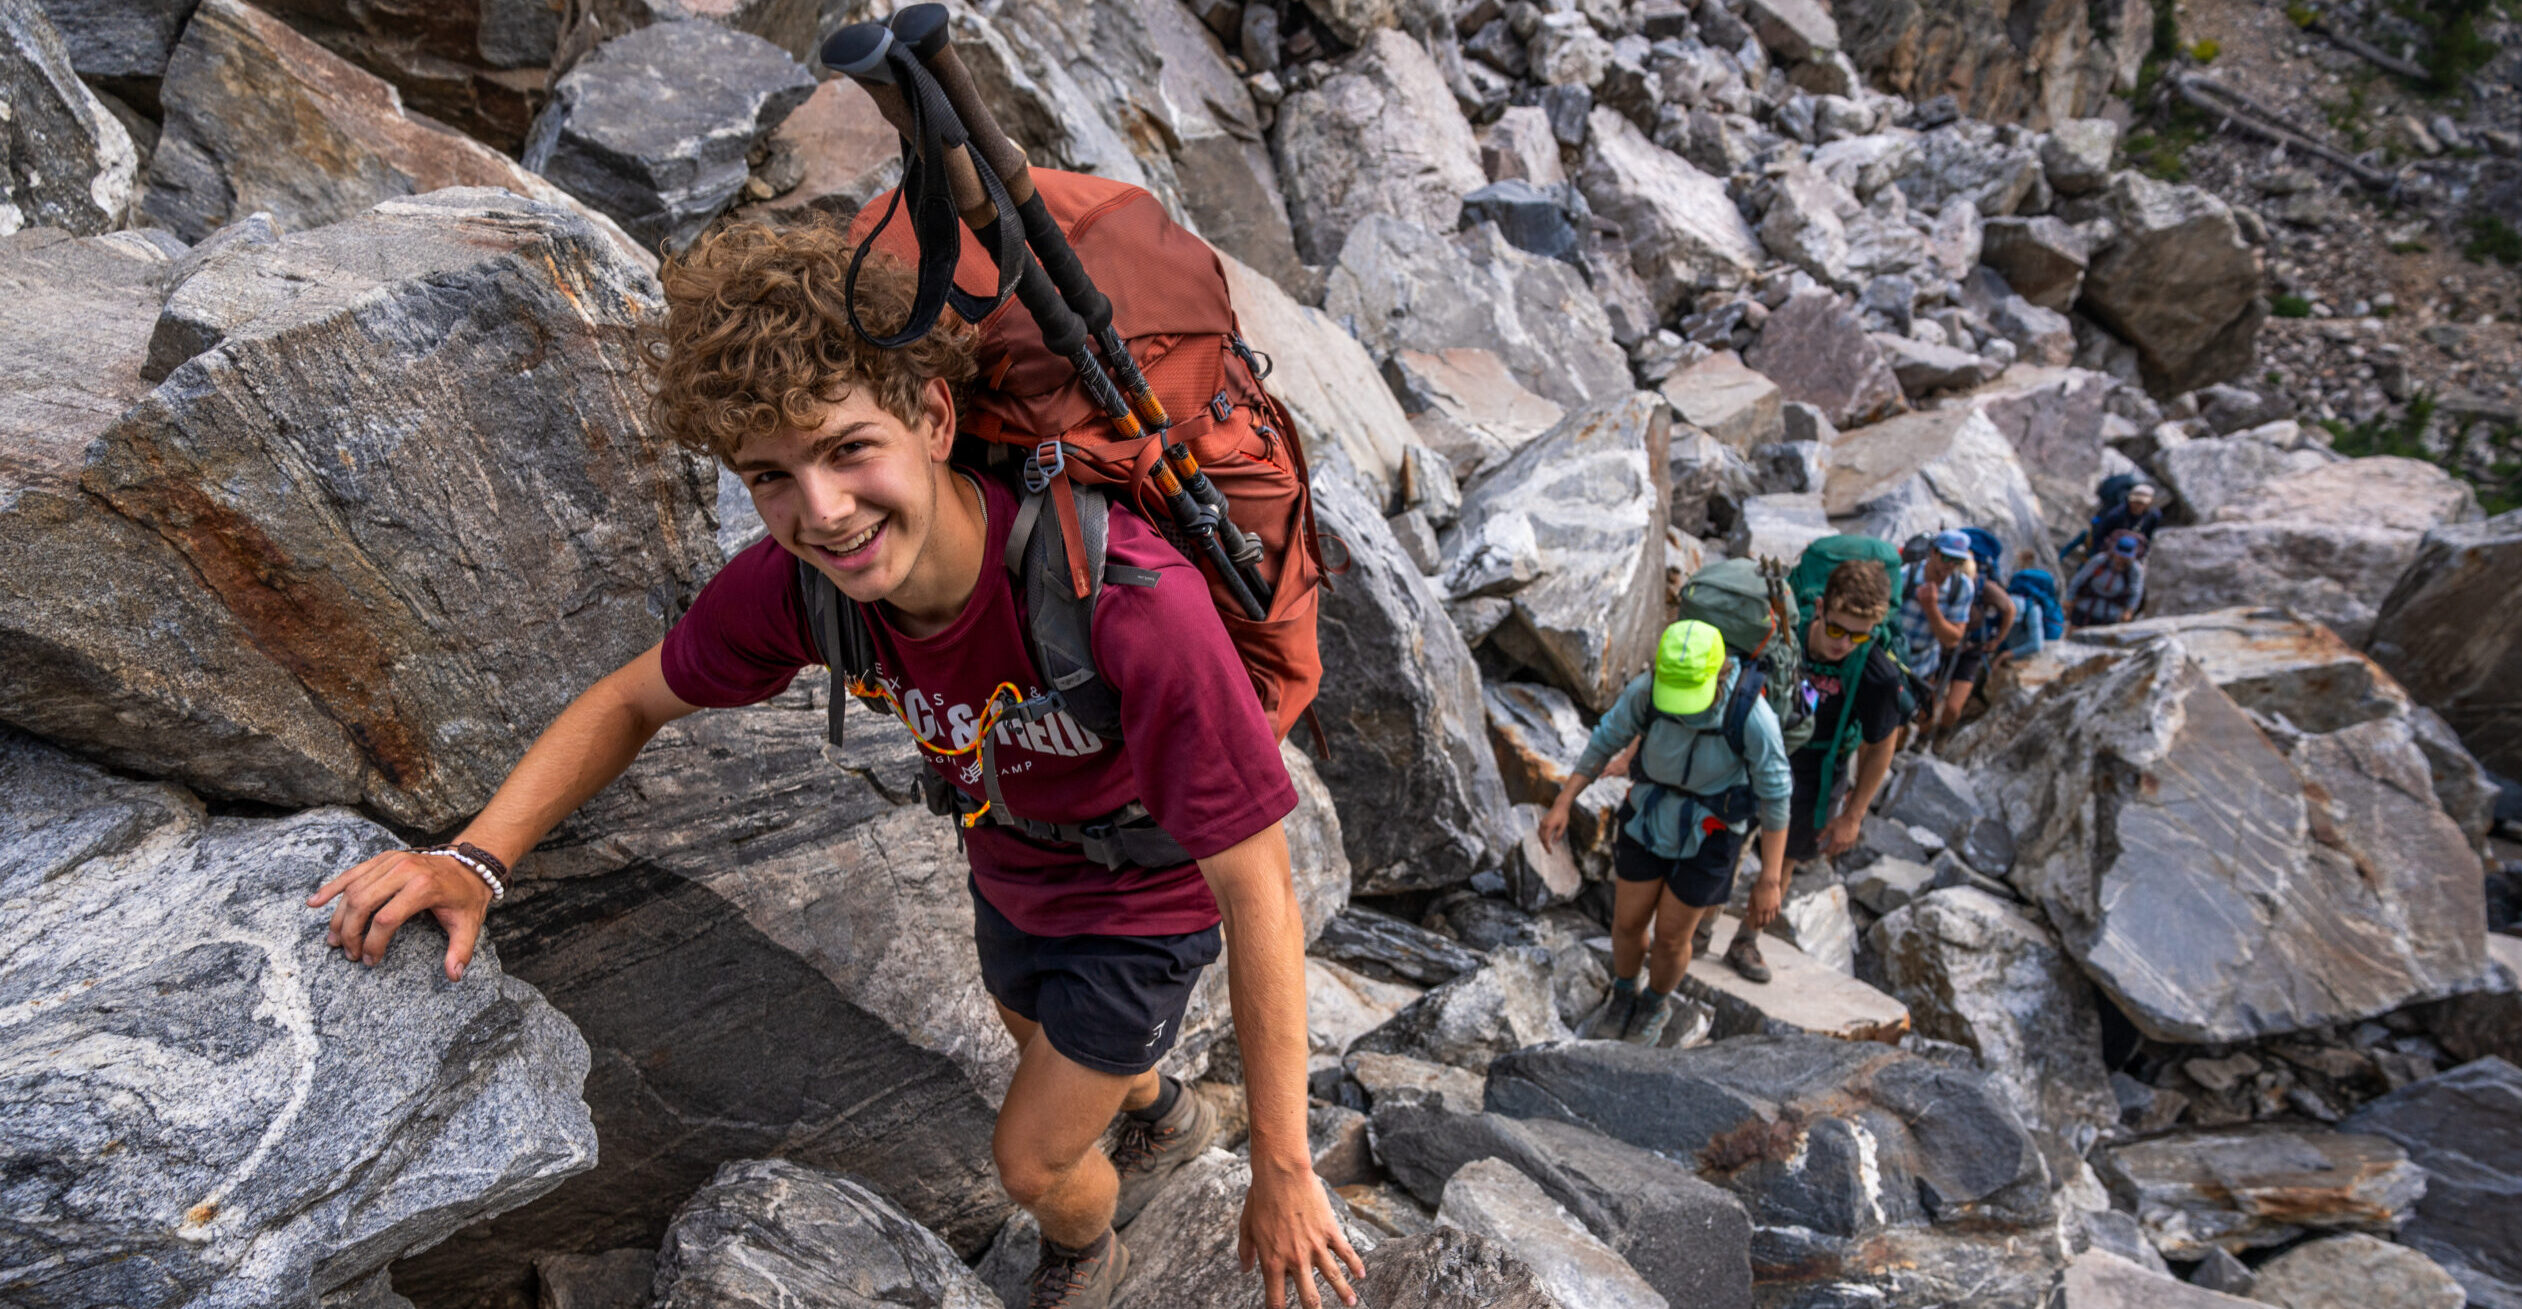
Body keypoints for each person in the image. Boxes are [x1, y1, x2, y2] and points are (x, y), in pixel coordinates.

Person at [304, 223, 1360, 1309]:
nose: (824, 511)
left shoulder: (1127, 602)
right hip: (1012, 864)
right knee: (1038, 1029)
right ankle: (1167, 1115)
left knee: (1033, 1157)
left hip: (1145, 893)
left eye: (851, 448)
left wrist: (1285, 1168)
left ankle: (1087, 1252)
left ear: (935, 417)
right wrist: (474, 860)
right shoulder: (796, 587)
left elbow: (1256, 886)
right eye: (772, 474)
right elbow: (631, 700)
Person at [1537, 622, 1791, 1044]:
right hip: (1648, 815)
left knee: (1673, 937)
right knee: (1628, 920)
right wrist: (1564, 802)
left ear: (1719, 675)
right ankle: (1623, 992)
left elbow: (1776, 794)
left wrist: (1770, 879)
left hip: (1710, 831)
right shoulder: (1647, 690)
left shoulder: (1751, 716)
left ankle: (1656, 1001)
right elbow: (1605, 740)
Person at [1730, 560, 1907, 978]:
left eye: (1858, 635)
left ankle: (1746, 940)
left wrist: (1854, 814)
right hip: (1755, 751)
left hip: (1817, 769)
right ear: (1822, 608)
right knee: (1729, 840)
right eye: (1836, 629)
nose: (1844, 643)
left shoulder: (1875, 673)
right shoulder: (1782, 633)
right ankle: (1700, 925)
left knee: (1785, 861)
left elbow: (1881, 744)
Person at [1895, 530, 1977, 731]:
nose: (1949, 566)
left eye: (1957, 561)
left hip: (1923, 664)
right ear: (1933, 552)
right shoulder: (1905, 575)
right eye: (1947, 557)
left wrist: (1931, 608)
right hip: (1892, 657)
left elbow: (1952, 639)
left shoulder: (1962, 588)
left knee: (1910, 715)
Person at [1934, 564, 2015, 735]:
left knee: (1953, 707)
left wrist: (1997, 641)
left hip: (1970, 650)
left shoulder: (1985, 588)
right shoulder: (1942, 581)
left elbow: (2009, 609)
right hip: (1941, 646)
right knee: (1930, 699)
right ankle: (1923, 735)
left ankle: (1943, 732)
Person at [2067, 531, 2148, 628]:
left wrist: (2129, 610)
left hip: (2111, 614)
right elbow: (2079, 578)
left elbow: (2135, 591)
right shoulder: (2100, 560)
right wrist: (2069, 598)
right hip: (2084, 606)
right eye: (2119, 555)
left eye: (2125, 556)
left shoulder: (2134, 570)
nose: (2121, 558)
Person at [2002, 567, 2065, 665]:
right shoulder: (2046, 603)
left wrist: (2004, 655)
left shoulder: (2033, 607)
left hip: (2029, 653)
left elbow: (2036, 645)